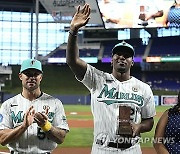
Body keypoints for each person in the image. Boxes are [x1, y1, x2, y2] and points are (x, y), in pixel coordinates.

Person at [66, 4, 156, 154]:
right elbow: (72, 61)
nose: (122, 57)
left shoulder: (144, 88)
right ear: (112, 60)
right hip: (102, 149)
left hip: (132, 149)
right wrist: (73, 31)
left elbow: (149, 121)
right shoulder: (96, 79)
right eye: (118, 54)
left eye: (126, 55)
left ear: (132, 62)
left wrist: (139, 127)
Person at [0, 59, 69, 153]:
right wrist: (23, 126)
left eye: (36, 74)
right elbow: (2, 139)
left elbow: (61, 138)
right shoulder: (8, 105)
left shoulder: (55, 103)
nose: (32, 77)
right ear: (20, 76)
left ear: (41, 77)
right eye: (28, 74)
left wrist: (45, 125)